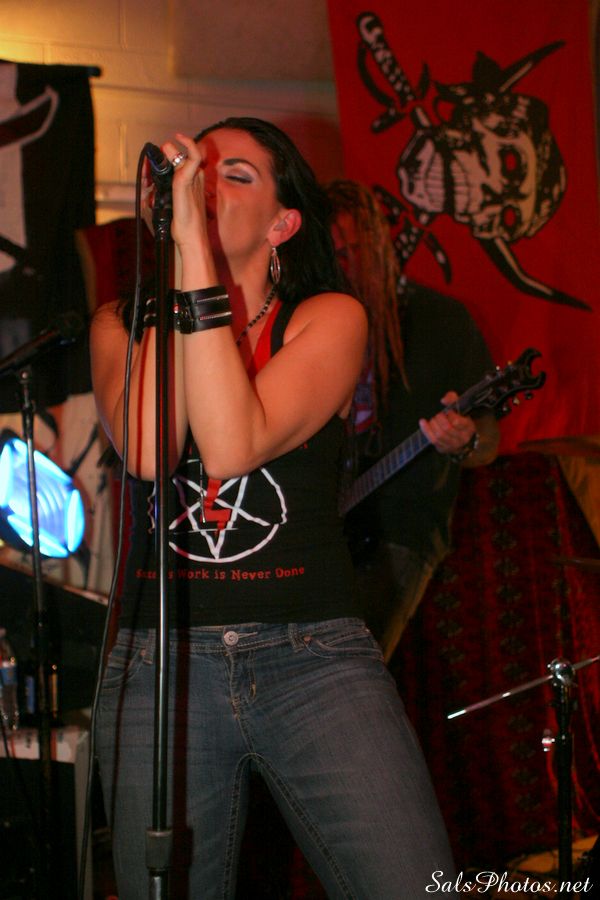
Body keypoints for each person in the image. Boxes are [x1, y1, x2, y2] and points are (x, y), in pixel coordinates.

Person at [90, 118, 458, 899]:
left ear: (283, 224)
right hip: (162, 665)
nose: (206, 187)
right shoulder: (121, 323)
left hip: (312, 656)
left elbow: (233, 446)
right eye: (200, 172)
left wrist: (194, 251)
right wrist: (180, 265)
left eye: (235, 175)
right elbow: (150, 451)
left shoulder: (330, 317)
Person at [326, 179, 500, 664]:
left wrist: (464, 440)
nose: (346, 266)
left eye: (354, 251)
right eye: (335, 256)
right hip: (330, 525)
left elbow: (488, 438)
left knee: (350, 667)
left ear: (380, 244)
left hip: (401, 528)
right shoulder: (323, 321)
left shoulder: (441, 320)